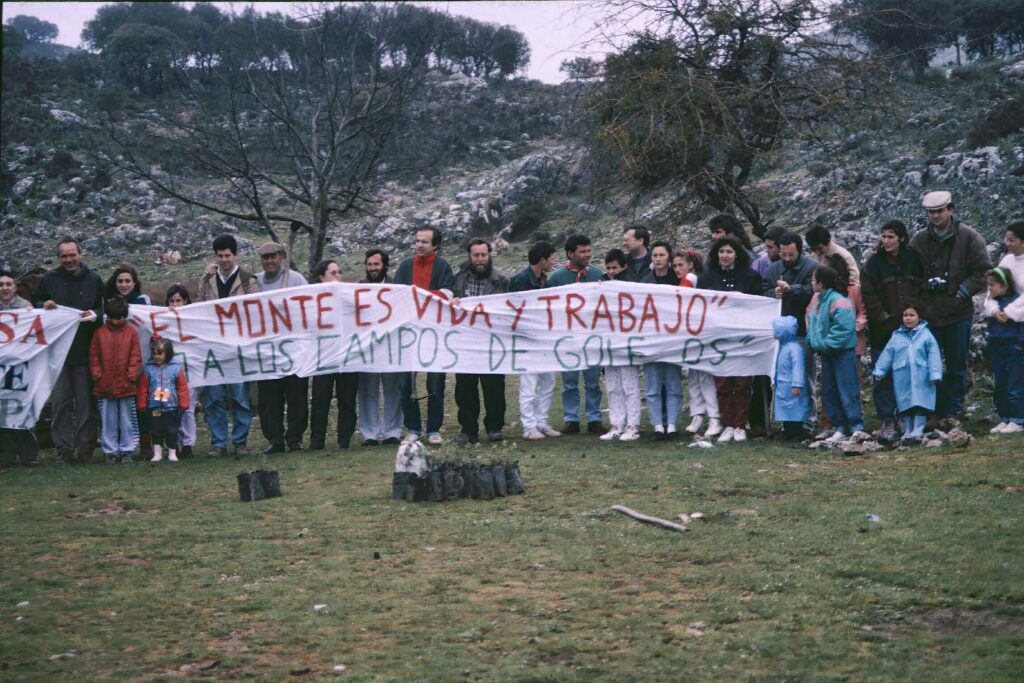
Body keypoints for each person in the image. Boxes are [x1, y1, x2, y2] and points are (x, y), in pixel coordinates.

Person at [910, 191, 992, 425]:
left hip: (958, 314)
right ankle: (932, 410)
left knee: (957, 364)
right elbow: (909, 270)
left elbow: (983, 271)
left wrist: (961, 292)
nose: (935, 216)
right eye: (931, 212)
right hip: (929, 314)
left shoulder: (969, 237)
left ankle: (954, 410)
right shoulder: (918, 240)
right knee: (928, 366)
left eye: (939, 211)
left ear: (951, 210)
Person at [32, 237, 105, 464]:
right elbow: (34, 304)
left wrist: (95, 315)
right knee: (61, 403)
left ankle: (85, 450)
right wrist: (43, 306)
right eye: (64, 256)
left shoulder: (93, 279)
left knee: (85, 404)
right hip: (58, 355)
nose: (69, 260)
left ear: (80, 255)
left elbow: (105, 307)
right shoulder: (49, 279)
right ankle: (63, 450)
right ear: (59, 258)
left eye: (72, 255)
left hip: (85, 351)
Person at [861, 219, 927, 442]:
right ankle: (887, 418)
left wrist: (912, 315)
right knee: (883, 374)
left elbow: (921, 289)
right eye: (884, 236)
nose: (886, 241)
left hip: (911, 330)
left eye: (891, 236)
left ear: (901, 238)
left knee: (913, 373)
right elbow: (869, 297)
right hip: (883, 332)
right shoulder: (873, 265)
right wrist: (886, 320)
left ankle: (911, 415)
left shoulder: (913, 259)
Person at [195, 234, 259, 457]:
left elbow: (256, 309)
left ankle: (240, 441)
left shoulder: (247, 279)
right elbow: (199, 308)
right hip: (213, 346)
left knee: (240, 396)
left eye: (227, 255)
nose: (224, 260)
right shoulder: (208, 281)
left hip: (239, 346)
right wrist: (205, 276)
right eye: (220, 256)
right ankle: (218, 442)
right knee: (214, 397)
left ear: (236, 255)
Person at [697, 235, 762, 442]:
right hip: (719, 338)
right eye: (722, 252)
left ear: (737, 254)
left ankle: (741, 425)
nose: (725, 256)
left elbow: (758, 305)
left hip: (743, 337)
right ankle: (727, 425)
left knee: (742, 382)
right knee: (723, 382)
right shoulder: (706, 277)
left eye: (729, 252)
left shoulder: (750, 276)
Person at [394, 227, 454, 444]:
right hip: (408, 334)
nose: (420, 245)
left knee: (435, 382)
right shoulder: (405, 266)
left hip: (434, 333)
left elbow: (447, 293)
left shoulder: (442, 266)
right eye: (417, 240)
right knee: (405, 384)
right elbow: (396, 295)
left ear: (435, 245)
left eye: (425, 242)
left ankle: (433, 429)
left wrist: (419, 296)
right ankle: (413, 428)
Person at [450, 239, 510, 444]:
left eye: (483, 255)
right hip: (465, 343)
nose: (480, 259)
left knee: (494, 387)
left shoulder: (502, 280)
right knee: (465, 389)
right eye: (476, 255)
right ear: (469, 256)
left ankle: (494, 428)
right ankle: (468, 430)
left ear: (489, 255)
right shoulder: (458, 279)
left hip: (492, 343)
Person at [548, 234, 606, 434]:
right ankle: (571, 419)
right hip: (568, 338)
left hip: (592, 336)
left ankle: (594, 418)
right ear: (570, 253)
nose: (587, 255)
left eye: (589, 251)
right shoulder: (556, 278)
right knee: (569, 381)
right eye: (582, 251)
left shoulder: (598, 275)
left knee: (593, 380)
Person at [255, 242, 309, 453]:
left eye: (273, 257)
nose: (269, 261)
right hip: (267, 351)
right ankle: (274, 439)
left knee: (296, 395)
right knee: (269, 399)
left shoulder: (296, 279)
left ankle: (295, 437)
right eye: (265, 257)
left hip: (293, 350)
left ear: (282, 257)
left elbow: (311, 305)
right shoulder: (255, 282)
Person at [762, 232, 818, 432]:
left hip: (803, 331)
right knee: (782, 379)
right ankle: (787, 420)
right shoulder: (772, 268)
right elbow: (763, 291)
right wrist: (772, 293)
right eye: (783, 254)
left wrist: (791, 289)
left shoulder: (812, 267)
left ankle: (809, 420)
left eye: (791, 255)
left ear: (800, 251)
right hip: (780, 334)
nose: (786, 258)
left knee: (806, 378)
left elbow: (813, 292)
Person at [806, 266, 865, 443]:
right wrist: (814, 342)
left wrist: (824, 344)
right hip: (827, 354)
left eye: (813, 279)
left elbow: (843, 329)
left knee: (847, 389)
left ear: (821, 283)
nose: (811, 282)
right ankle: (840, 427)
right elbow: (814, 325)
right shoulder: (819, 302)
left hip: (842, 353)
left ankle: (856, 426)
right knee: (829, 391)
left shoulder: (839, 301)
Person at [511, 240, 562, 440]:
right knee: (529, 384)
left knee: (548, 381)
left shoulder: (544, 281)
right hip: (527, 340)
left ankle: (541, 421)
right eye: (551, 258)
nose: (553, 262)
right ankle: (528, 425)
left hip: (544, 339)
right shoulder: (521, 280)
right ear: (542, 260)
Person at [871, 302, 943, 444]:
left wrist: (934, 374)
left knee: (919, 402)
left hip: (921, 377)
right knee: (905, 403)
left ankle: (918, 428)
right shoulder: (896, 336)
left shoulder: (926, 335)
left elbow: (934, 355)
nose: (908, 318)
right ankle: (908, 429)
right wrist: (880, 370)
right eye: (905, 315)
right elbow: (888, 354)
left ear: (919, 317)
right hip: (902, 376)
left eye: (912, 315)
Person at [308, 259, 359, 450]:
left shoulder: (349, 296)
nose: (338, 276)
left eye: (339, 272)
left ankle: (344, 439)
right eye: (333, 273)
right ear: (322, 277)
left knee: (347, 400)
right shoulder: (311, 298)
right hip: (323, 355)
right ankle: (317, 440)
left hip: (347, 354)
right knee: (320, 399)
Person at [356, 249, 403, 446]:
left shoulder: (397, 287)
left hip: (391, 344)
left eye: (376, 264)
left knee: (393, 388)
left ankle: (392, 431)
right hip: (367, 346)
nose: (373, 268)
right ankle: (370, 433)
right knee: (367, 388)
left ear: (385, 265)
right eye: (369, 265)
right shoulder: (357, 288)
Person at [89, 297, 142, 463]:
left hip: (126, 385)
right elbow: (94, 356)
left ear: (125, 316)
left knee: (127, 420)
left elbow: (136, 355)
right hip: (105, 386)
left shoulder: (131, 333)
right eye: (113, 317)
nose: (116, 321)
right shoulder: (100, 333)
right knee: (108, 420)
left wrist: (131, 375)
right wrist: (97, 375)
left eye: (119, 317)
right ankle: (110, 451)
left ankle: (127, 449)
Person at [675, 250, 719, 437]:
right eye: (674, 266)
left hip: (699, 332)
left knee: (704, 377)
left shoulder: (690, 279)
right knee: (694, 376)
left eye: (680, 265)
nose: (677, 269)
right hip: (690, 333)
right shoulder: (685, 280)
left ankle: (713, 416)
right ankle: (697, 414)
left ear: (690, 265)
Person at [599, 250, 642, 442]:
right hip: (608, 342)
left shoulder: (632, 284)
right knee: (613, 386)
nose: (611, 271)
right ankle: (616, 423)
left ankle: (633, 424)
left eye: (615, 267)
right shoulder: (600, 285)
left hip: (627, 342)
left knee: (629, 385)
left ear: (624, 267)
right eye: (608, 268)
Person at [641, 241, 682, 438]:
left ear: (669, 257)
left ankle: (672, 424)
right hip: (651, 340)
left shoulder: (679, 281)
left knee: (673, 383)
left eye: (662, 255)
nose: (658, 259)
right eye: (655, 255)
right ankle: (658, 425)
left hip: (674, 339)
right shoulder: (643, 283)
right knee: (653, 385)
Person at [0, 270, 38, 465]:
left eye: (8, 284)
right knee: (2, 408)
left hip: (21, 365)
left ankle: (28, 454)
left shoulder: (25, 307)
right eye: (1, 285)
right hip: (1, 367)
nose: (5, 288)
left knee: (22, 407)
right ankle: (6, 453)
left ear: (15, 287)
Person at [982, 268, 1024, 434]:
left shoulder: (1017, 303)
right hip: (996, 347)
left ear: (1004, 286)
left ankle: (1018, 419)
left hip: (1014, 348)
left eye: (992, 285)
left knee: (1015, 383)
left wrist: (1020, 344)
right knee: (1000, 383)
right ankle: (1005, 417)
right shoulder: (993, 305)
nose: (989, 288)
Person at [138, 338, 191, 462]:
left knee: (172, 430)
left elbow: (182, 387)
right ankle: (158, 453)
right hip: (155, 407)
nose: (157, 356)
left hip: (171, 406)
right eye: (155, 354)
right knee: (156, 430)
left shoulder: (176, 368)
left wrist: (183, 403)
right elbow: (143, 387)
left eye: (160, 353)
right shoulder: (148, 368)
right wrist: (142, 403)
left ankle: (172, 452)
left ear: (168, 353)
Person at [166, 285, 197, 458]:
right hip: (170, 371)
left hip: (190, 371)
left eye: (179, 300)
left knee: (188, 407)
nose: (175, 304)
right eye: (172, 301)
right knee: (170, 407)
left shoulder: (192, 321)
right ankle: (173, 443)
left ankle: (188, 444)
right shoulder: (162, 321)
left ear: (186, 301)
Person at [771, 316, 808, 441]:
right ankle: (787, 431)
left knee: (795, 409)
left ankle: (797, 432)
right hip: (783, 385)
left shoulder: (795, 349)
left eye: (776, 330)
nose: (773, 333)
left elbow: (798, 367)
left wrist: (797, 384)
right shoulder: (783, 347)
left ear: (784, 331)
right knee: (786, 410)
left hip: (791, 385)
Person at [992, 219, 1024, 324]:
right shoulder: (1007, 260)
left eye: (1012, 240)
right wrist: (994, 309)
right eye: (1007, 239)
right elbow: (992, 285)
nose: (1007, 244)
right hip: (1008, 320)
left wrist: (1009, 312)